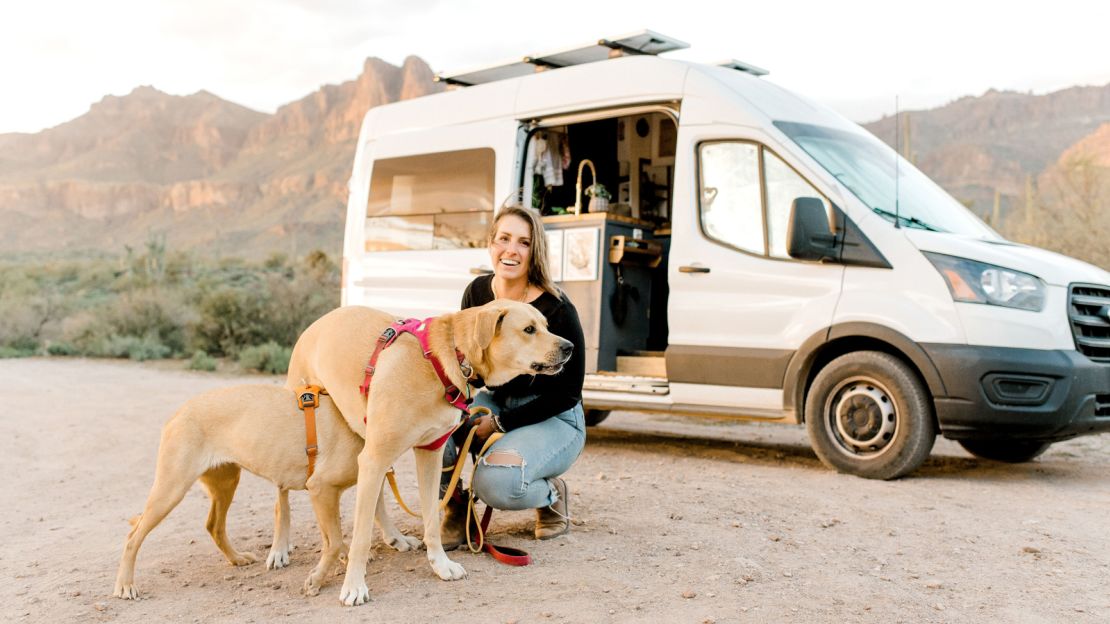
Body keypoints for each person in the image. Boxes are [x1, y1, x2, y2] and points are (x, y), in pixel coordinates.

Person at [440, 205, 586, 545]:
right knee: (435, 428)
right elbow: (470, 363)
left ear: (534, 251)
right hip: (494, 401)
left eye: (523, 242)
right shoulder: (477, 294)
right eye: (503, 239)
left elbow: (566, 394)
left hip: (554, 415)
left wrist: (500, 423)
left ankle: (550, 495)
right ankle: (455, 507)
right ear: (491, 244)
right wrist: (460, 410)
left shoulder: (557, 308)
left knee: (496, 486)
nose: (511, 250)